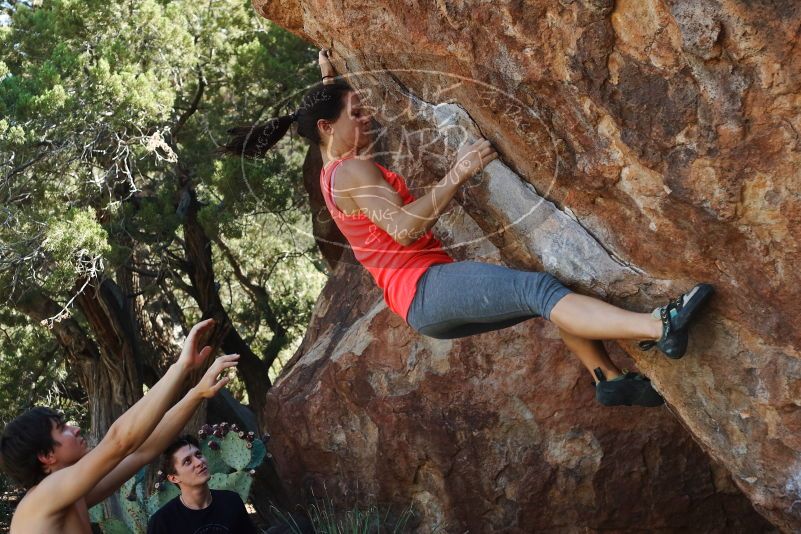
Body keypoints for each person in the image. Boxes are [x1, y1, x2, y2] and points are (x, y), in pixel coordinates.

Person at [220, 50, 713, 408]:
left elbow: (327, 135)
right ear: (327, 127)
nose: (365, 116)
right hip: (426, 288)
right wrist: (457, 173)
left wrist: (328, 79)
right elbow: (405, 230)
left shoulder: (335, 169)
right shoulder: (350, 171)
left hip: (423, 303)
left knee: (541, 293)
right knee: (540, 290)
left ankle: (607, 378)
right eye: (355, 112)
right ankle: (659, 325)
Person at [0, 319, 239, 533]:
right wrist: (180, 367)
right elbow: (120, 441)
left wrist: (196, 393)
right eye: (62, 428)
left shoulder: (72, 497)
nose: (75, 428)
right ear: (46, 455)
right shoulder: (43, 497)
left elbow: (144, 450)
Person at [146, 434, 259, 534]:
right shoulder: (162, 523)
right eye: (187, 461)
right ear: (174, 478)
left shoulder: (231, 501)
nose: (199, 462)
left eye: (198, 455)